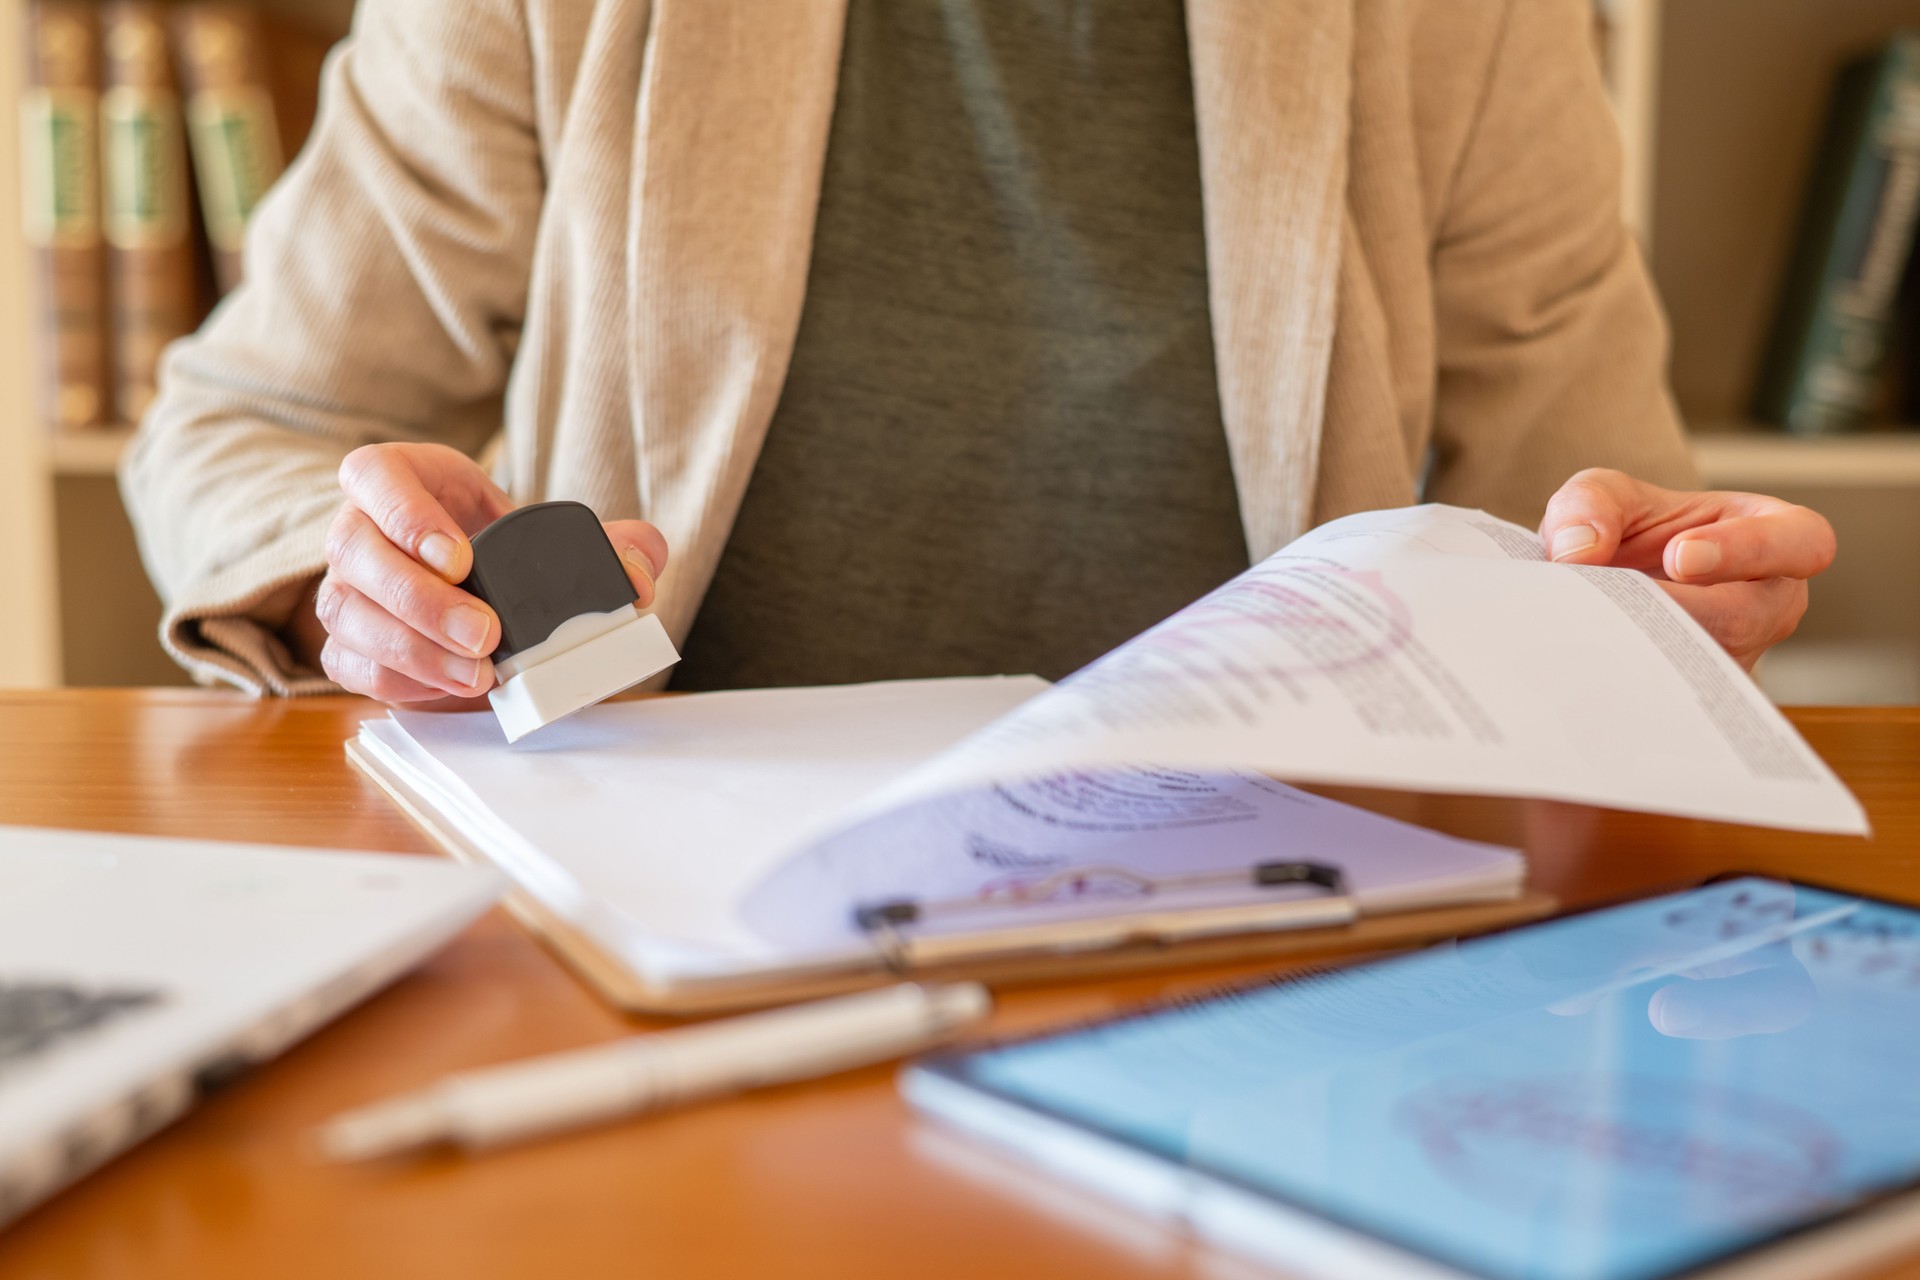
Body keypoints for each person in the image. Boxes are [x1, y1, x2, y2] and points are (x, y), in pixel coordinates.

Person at [121, 0, 1835, 704]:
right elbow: (243, 425)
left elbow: (1592, 507)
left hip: (1277, 907)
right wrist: (366, 581)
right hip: (670, 892)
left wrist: (1655, 587)